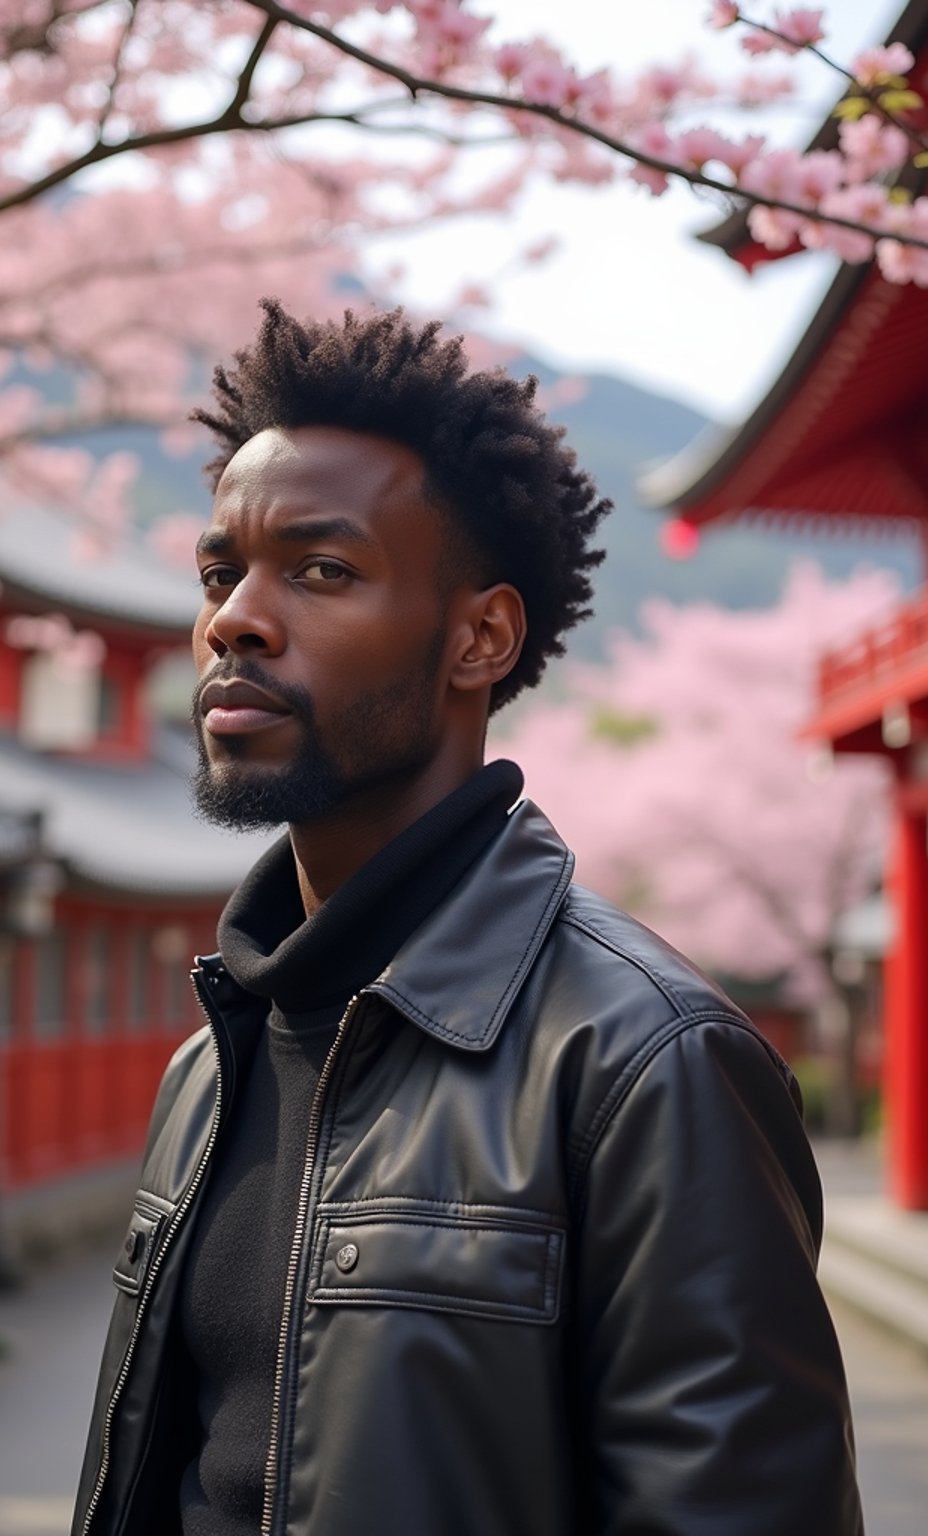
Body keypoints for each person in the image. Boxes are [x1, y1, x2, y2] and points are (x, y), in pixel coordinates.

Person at [73, 300, 862, 1536]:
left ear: (479, 636)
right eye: (222, 573)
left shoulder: (644, 1063)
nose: (233, 619)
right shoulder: (208, 1061)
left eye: (321, 570)